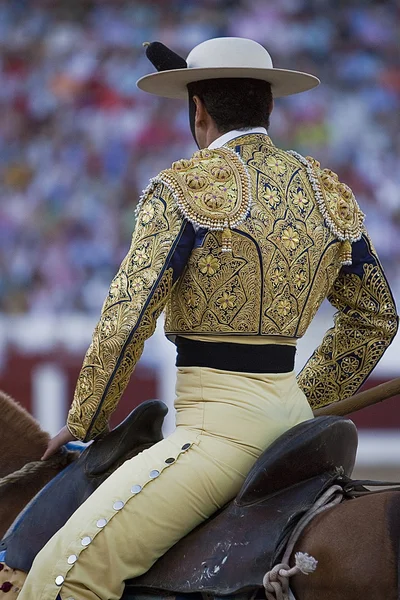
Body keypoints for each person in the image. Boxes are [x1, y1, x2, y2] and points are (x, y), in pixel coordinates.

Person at [9, 37, 398, 600]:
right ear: (268, 106)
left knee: (59, 578)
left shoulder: (185, 187)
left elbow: (127, 316)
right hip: (295, 428)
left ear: (199, 110)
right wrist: (303, 407)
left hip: (217, 438)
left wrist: (88, 420)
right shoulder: (326, 190)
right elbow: (376, 318)